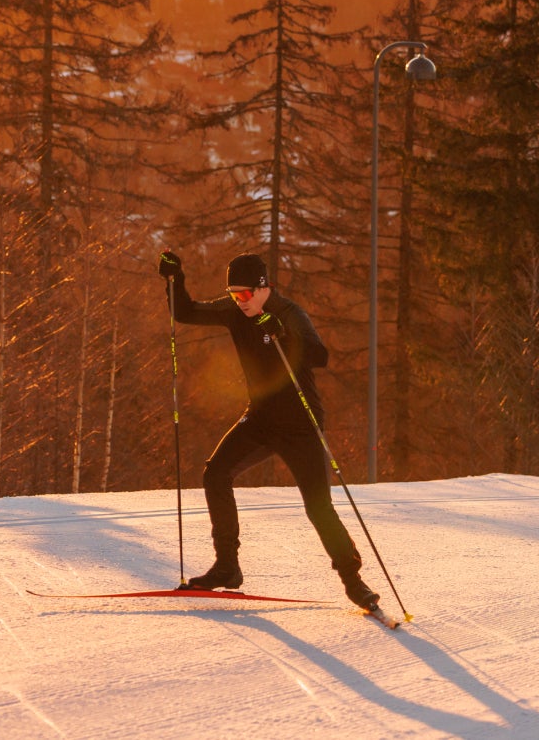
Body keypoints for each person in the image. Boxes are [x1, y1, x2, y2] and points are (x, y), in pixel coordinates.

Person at [158, 249, 380, 611]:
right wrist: (175, 279)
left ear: (264, 288)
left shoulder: (290, 313)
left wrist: (284, 335)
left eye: (245, 293)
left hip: (301, 425)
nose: (239, 300)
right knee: (216, 473)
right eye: (233, 294)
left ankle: (354, 582)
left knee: (318, 507)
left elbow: (320, 356)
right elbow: (185, 312)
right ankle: (227, 567)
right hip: (260, 419)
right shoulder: (234, 312)